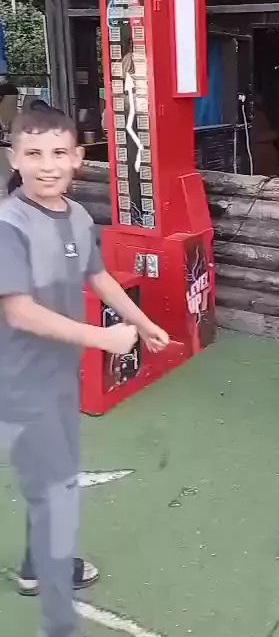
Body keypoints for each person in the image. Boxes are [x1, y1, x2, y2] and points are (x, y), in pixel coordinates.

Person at [0, 100, 169, 637]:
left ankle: (38, 564)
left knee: (54, 475)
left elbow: (97, 277)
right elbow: (18, 311)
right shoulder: (9, 225)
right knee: (53, 481)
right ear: (14, 158)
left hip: (56, 373)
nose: (47, 164)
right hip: (18, 379)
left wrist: (141, 322)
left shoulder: (76, 215)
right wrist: (103, 338)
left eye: (58, 152)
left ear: (78, 158)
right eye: (33, 153)